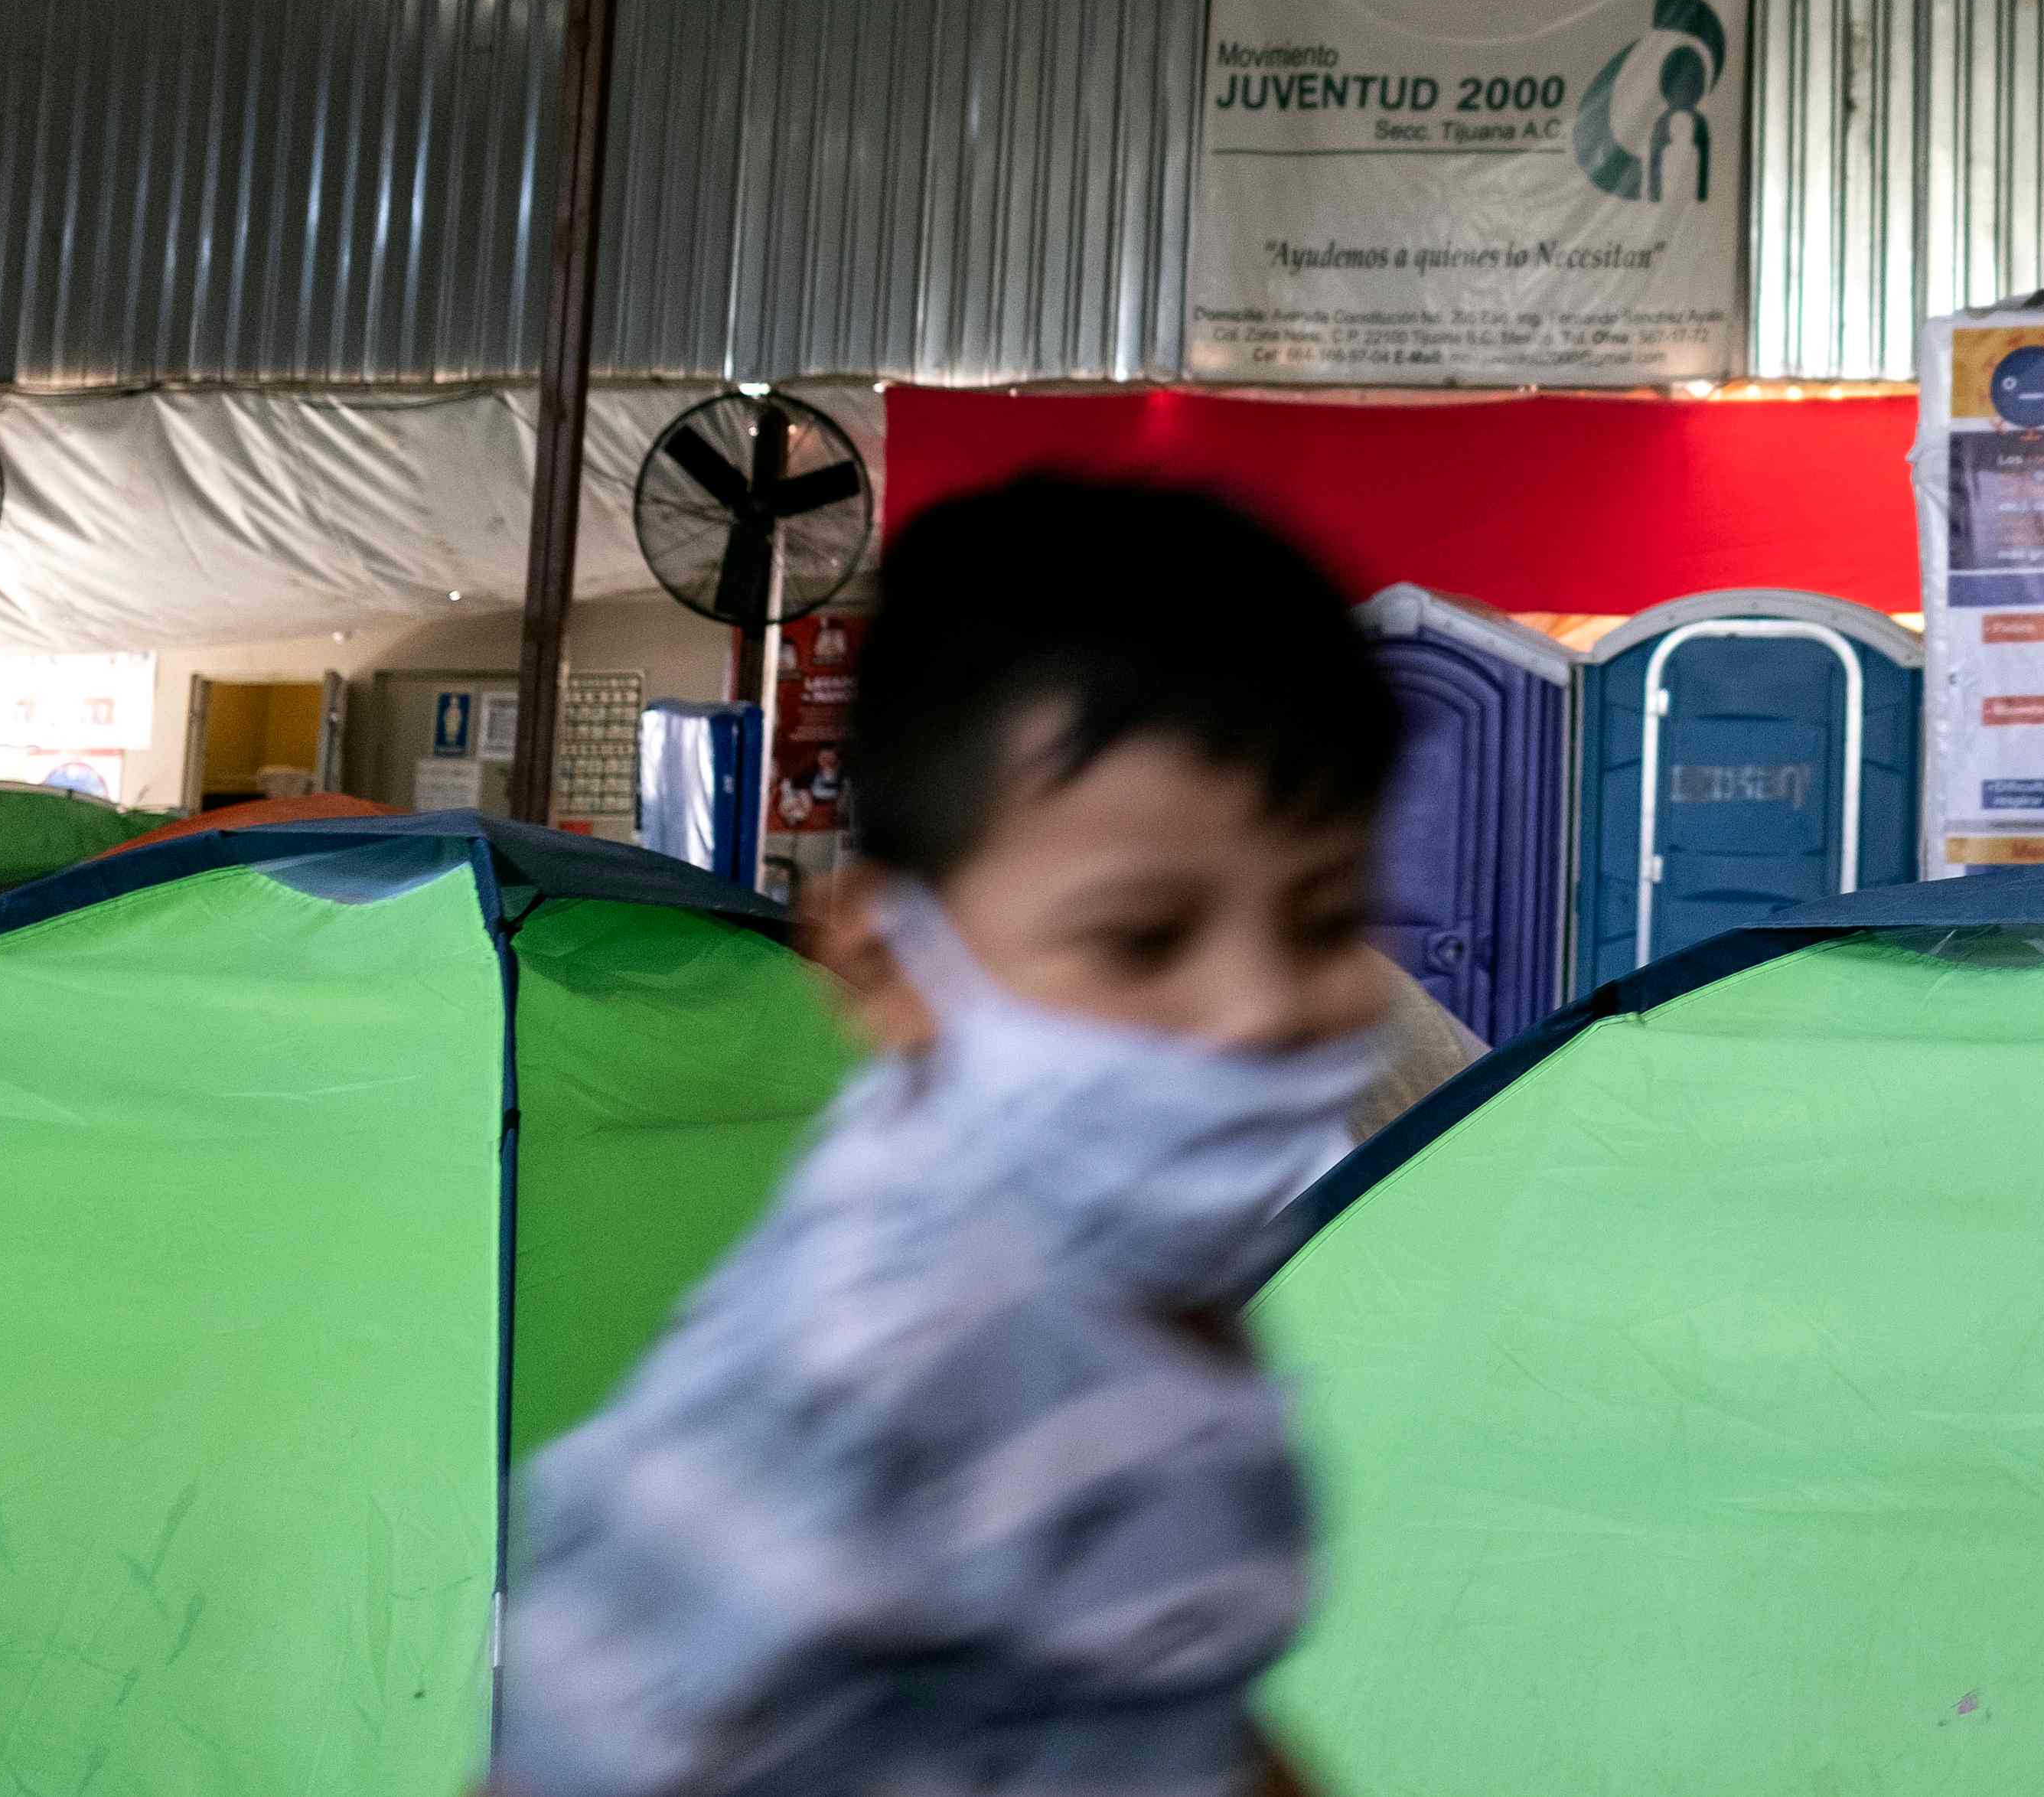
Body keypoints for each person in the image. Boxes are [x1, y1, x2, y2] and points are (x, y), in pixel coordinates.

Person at [497, 477, 1397, 1797]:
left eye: (1325, 921)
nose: (1259, 1011)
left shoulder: (1136, 1257)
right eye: (1140, 941)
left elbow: (1171, 1695)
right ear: (887, 964)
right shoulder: (867, 1361)